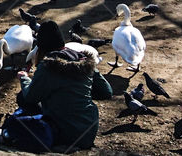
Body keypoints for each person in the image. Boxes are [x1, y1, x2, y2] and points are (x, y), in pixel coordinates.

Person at [11, 22, 113, 151]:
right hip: (88, 131)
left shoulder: (48, 66)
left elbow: (31, 97)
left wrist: (24, 78)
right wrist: (78, 91)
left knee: (23, 98)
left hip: (65, 133)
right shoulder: (84, 60)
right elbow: (106, 92)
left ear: (41, 47)